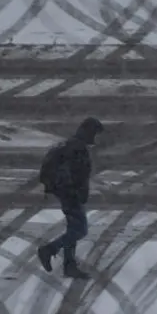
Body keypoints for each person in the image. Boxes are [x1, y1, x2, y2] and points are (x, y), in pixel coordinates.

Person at [37, 116, 104, 278]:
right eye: (95, 134)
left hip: (67, 193)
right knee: (80, 230)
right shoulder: (77, 148)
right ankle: (49, 249)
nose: (96, 138)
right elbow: (74, 173)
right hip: (70, 195)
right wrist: (73, 191)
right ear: (89, 132)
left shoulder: (70, 145)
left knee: (73, 228)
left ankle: (69, 266)